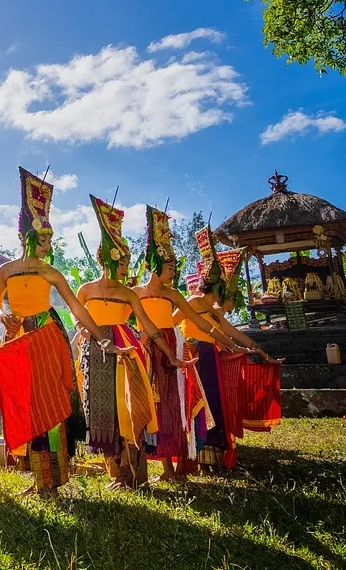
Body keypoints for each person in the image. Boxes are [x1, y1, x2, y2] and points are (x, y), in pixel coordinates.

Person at [0, 168, 122, 497]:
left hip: (47, 337)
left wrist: (101, 336)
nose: (48, 244)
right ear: (25, 237)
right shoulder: (6, 270)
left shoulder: (51, 272)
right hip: (18, 339)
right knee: (28, 405)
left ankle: (53, 481)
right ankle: (39, 479)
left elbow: (77, 308)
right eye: (43, 238)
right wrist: (2, 315)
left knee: (50, 405)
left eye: (49, 239)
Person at [75, 195, 179, 489]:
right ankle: (117, 474)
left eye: (128, 262)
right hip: (95, 350)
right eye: (123, 262)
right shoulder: (85, 289)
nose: (126, 268)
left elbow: (149, 327)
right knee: (100, 410)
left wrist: (169, 355)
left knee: (128, 409)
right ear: (109, 258)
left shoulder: (129, 294)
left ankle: (134, 475)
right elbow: (78, 319)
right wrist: (85, 331)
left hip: (125, 350)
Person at [133, 206, 243, 481]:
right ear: (153, 265)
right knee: (155, 407)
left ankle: (183, 464)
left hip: (174, 346)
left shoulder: (174, 294)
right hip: (146, 349)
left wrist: (226, 342)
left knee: (178, 404)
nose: (172, 271)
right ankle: (165, 468)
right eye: (169, 266)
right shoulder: (135, 293)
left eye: (173, 267)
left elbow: (203, 322)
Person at [182, 235, 282, 471]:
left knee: (214, 401)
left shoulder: (214, 313)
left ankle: (212, 453)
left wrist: (261, 352)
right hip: (192, 355)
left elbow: (236, 334)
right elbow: (173, 321)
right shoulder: (192, 302)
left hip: (210, 358)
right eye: (222, 290)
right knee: (196, 402)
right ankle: (194, 453)